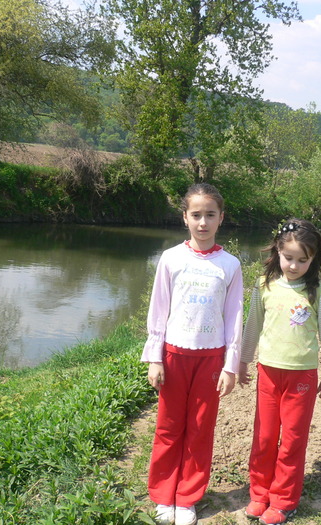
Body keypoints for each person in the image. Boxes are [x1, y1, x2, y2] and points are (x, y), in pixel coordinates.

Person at [141, 183, 244, 525]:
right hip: (173, 356)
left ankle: (187, 497)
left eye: (210, 215)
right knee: (169, 427)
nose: (203, 222)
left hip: (211, 360)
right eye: (196, 215)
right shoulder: (171, 258)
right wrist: (155, 358)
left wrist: (230, 366)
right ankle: (163, 495)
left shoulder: (230, 265)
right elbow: (158, 311)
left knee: (200, 429)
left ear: (221, 219)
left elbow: (234, 317)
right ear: (185, 217)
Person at [239, 218, 321, 525]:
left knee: (293, 440)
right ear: (277, 253)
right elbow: (252, 325)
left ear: (313, 259)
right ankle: (260, 493)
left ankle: (284, 500)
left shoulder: (319, 291)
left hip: (302, 378)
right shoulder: (264, 285)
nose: (294, 265)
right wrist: (243, 360)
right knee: (265, 436)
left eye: (302, 260)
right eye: (288, 258)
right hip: (268, 372)